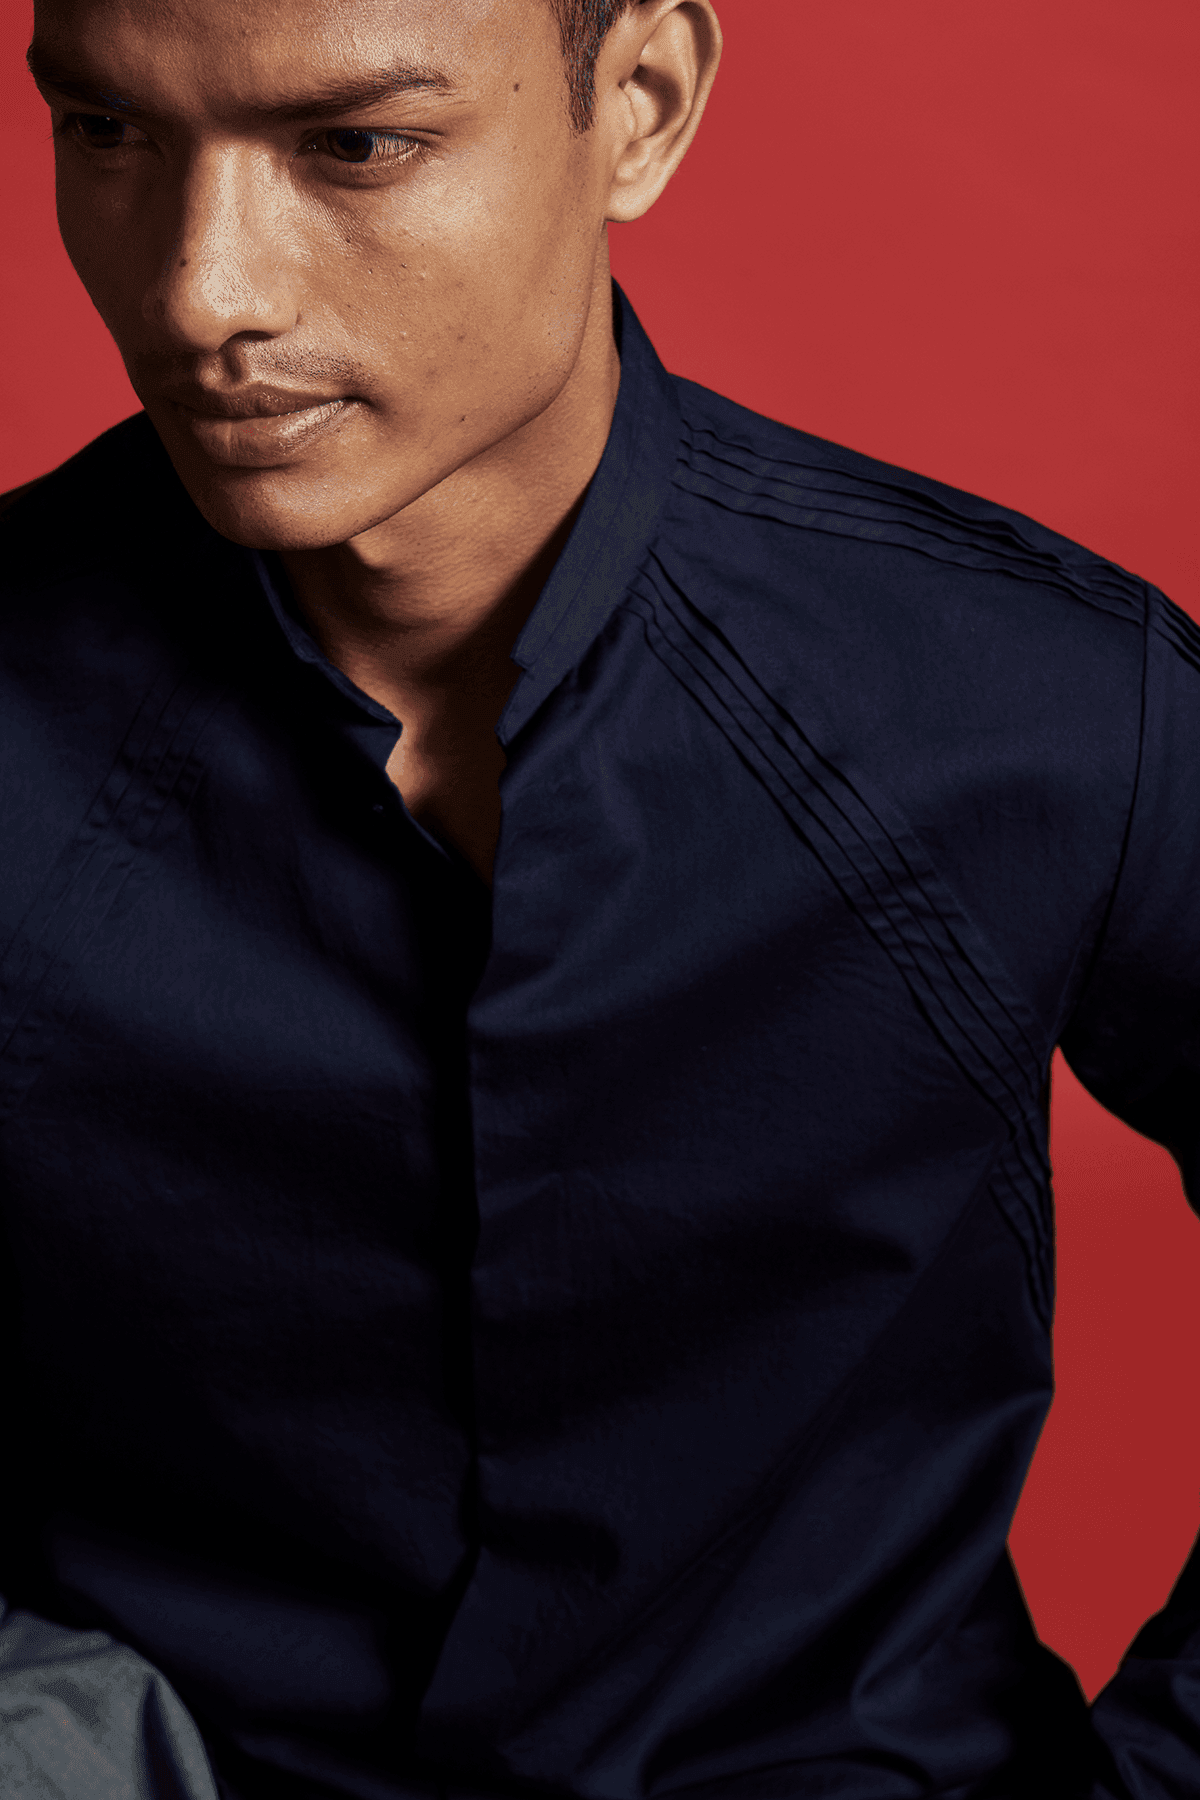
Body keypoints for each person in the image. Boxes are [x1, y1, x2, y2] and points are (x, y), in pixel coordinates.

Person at [1, 0, 1197, 1795]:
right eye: (108, 132)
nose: (199, 294)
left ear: (638, 104)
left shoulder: (1042, 698)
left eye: (354, 145)